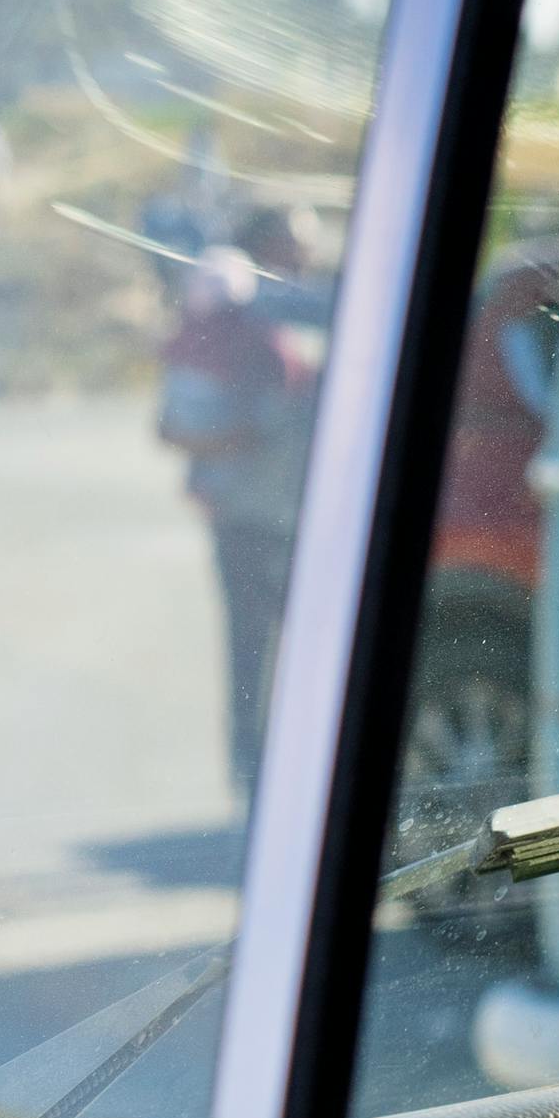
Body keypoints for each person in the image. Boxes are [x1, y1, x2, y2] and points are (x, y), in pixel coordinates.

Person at [156, 206, 328, 783]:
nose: (306, 256)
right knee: (257, 644)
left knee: (291, 644)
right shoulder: (244, 323)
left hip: (296, 512)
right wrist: (248, 436)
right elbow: (176, 425)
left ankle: (278, 763)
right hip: (252, 516)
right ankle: (257, 771)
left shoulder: (297, 313)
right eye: (294, 245)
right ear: (264, 248)